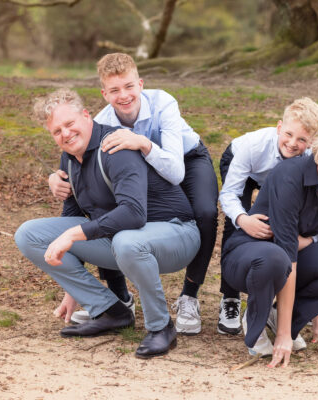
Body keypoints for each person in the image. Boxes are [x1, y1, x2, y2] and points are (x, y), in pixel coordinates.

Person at [15, 89, 200, 359]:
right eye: (57, 131)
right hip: (124, 241)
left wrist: (72, 236)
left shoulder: (114, 146)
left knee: (125, 241)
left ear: (86, 116)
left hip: (176, 233)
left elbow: (134, 214)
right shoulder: (69, 157)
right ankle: (109, 311)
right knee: (28, 234)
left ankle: (161, 328)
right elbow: (72, 216)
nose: (65, 134)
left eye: (69, 124)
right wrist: (73, 290)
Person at [48, 53, 218, 335]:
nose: (123, 95)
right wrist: (57, 177)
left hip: (185, 159)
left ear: (140, 83)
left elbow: (175, 172)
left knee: (205, 212)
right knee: (108, 206)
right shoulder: (102, 122)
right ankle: (119, 298)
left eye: (129, 86)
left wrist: (142, 142)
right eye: (114, 90)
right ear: (104, 93)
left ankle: (189, 296)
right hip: (142, 166)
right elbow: (81, 181)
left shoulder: (163, 102)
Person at [221, 120, 318, 368]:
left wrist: (316, 317)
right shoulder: (290, 175)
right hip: (247, 257)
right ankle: (257, 321)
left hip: (282, 255)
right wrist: (284, 336)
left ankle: (280, 318)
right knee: (276, 257)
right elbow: (288, 253)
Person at [217, 98, 318, 338]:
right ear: (278, 127)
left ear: (311, 142)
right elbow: (229, 194)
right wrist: (243, 219)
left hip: (281, 179)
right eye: (288, 134)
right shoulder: (253, 146)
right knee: (236, 225)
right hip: (248, 170)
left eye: (302, 140)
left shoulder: (309, 158)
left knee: (287, 224)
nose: (293, 143)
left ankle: (284, 297)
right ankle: (230, 297)